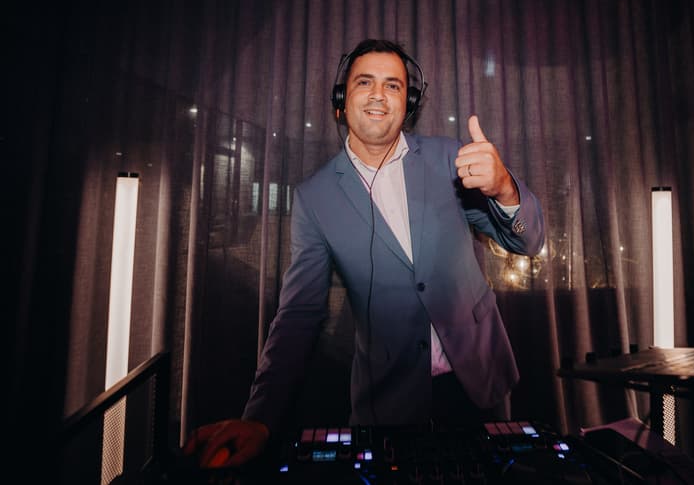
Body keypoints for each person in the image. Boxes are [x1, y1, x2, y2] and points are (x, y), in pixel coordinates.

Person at [184, 39, 545, 468]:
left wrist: (504, 187)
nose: (378, 94)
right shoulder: (315, 197)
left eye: (393, 85)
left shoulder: (452, 159)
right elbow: (298, 316)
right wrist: (259, 418)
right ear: (341, 101)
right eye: (364, 82)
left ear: (407, 103)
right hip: (388, 400)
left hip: (479, 380)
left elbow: (526, 242)